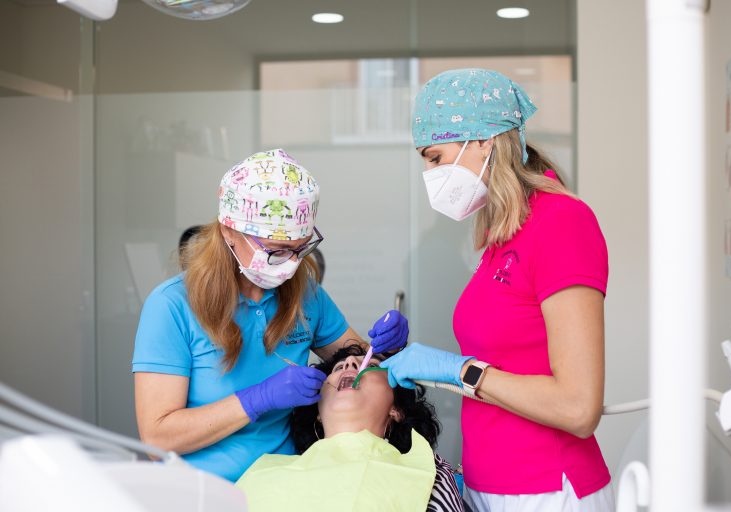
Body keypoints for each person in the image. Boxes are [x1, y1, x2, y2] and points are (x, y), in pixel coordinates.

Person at [381, 69, 614, 510]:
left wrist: (459, 371)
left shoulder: (561, 223)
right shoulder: (504, 233)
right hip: (488, 484)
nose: (430, 173)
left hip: (547, 490)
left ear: (484, 141)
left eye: (435, 157)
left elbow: (579, 408)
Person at [132, 149, 409, 482]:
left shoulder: (305, 294)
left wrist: (387, 348)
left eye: (300, 248)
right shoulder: (171, 306)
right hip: (203, 492)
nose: (291, 264)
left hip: (286, 484)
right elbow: (157, 439)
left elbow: (362, 363)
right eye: (277, 251)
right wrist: (257, 399)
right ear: (229, 231)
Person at [236, 345, 464, 512]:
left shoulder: (429, 473)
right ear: (317, 412)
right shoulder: (264, 472)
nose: (350, 363)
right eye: (338, 367)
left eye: (371, 366)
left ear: (396, 410)